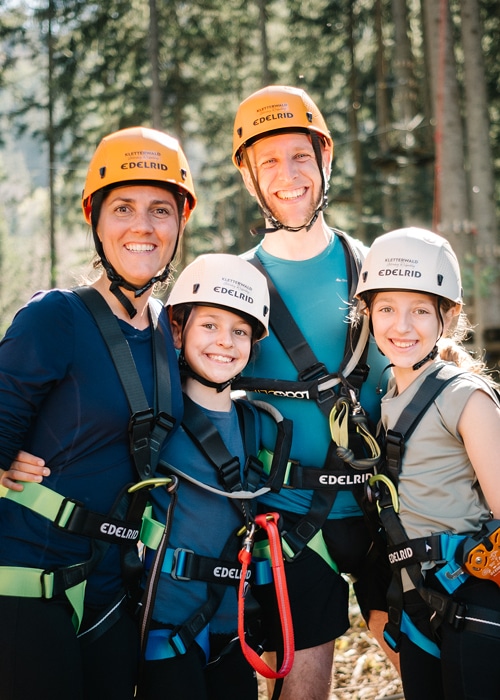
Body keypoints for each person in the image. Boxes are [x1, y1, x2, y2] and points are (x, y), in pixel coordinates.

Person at [0, 126, 196, 700]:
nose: (143, 225)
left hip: (114, 581)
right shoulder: (56, 316)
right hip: (32, 580)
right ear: (97, 220)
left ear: (180, 222)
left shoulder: (170, 329)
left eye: (161, 209)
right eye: (124, 208)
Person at [231, 84, 399, 699]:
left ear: (325, 160)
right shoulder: (234, 285)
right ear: (249, 178)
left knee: (440, 668)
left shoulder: (379, 266)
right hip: (291, 521)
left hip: (389, 514)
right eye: (268, 161)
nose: (288, 175)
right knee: (301, 690)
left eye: (300, 156)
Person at [136, 253, 292, 700]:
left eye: (239, 332)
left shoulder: (254, 422)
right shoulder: (155, 416)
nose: (224, 342)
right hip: (165, 628)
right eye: (210, 326)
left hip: (234, 629)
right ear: (179, 329)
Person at [355, 227, 500, 700]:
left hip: (473, 601)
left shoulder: (465, 397)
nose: (402, 326)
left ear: (448, 316)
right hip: (416, 604)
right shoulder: (388, 398)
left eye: (419, 310)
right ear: (367, 314)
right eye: (386, 309)